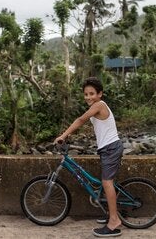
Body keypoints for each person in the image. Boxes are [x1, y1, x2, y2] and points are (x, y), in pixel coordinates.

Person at [54, 77, 124, 237]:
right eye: (86, 94)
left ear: (100, 94)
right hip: (107, 149)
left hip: (111, 148)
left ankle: (114, 220)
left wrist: (63, 136)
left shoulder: (99, 105)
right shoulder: (96, 106)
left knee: (107, 183)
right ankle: (112, 214)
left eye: (92, 93)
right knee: (106, 183)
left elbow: (80, 120)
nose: (88, 97)